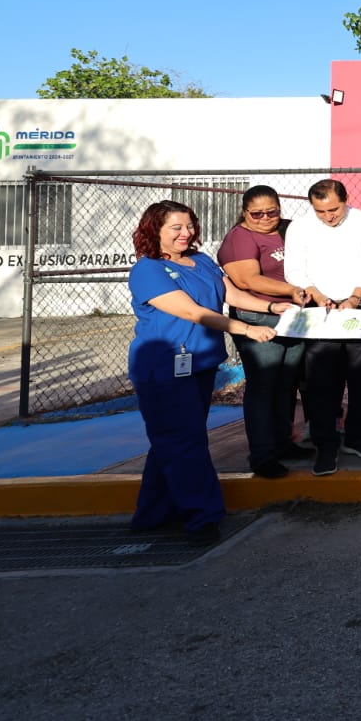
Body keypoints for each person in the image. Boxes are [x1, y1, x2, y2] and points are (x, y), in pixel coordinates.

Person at [128, 200, 278, 543]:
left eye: (190, 225)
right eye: (176, 228)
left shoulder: (202, 260)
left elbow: (232, 294)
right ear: (155, 230)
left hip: (200, 364)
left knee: (174, 439)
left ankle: (151, 515)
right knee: (185, 442)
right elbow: (193, 312)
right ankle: (203, 517)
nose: (186, 233)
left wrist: (274, 306)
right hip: (164, 369)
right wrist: (246, 329)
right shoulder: (148, 270)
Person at [283, 179, 361, 475]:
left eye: (334, 209)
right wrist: (316, 295)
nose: (328, 216)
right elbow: (294, 269)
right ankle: (325, 446)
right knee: (321, 383)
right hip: (320, 310)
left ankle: (357, 438)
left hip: (357, 307)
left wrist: (354, 298)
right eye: (321, 211)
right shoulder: (299, 227)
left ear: (346, 199)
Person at [216, 185, 309, 478]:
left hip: (292, 317)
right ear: (244, 212)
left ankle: (283, 443)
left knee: (286, 384)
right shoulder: (240, 238)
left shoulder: (286, 230)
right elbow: (248, 280)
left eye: (272, 211)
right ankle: (262, 455)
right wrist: (293, 290)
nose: (266, 218)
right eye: (257, 213)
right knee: (264, 387)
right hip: (259, 318)